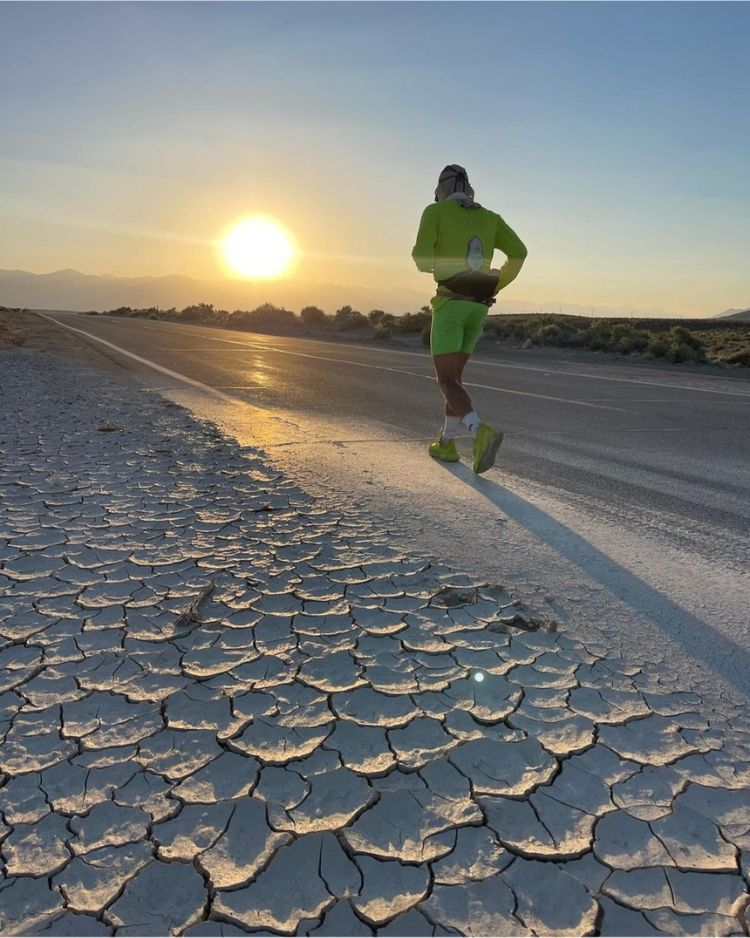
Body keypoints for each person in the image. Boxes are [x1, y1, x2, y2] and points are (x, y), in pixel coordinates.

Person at [412, 164, 527, 473]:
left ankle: (480, 432)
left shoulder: (434, 213)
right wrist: (495, 282)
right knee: (455, 379)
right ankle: (447, 444)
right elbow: (520, 253)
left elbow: (421, 260)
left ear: (441, 190)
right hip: (479, 308)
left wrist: (442, 258)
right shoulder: (491, 218)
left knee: (445, 379)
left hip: (450, 303)